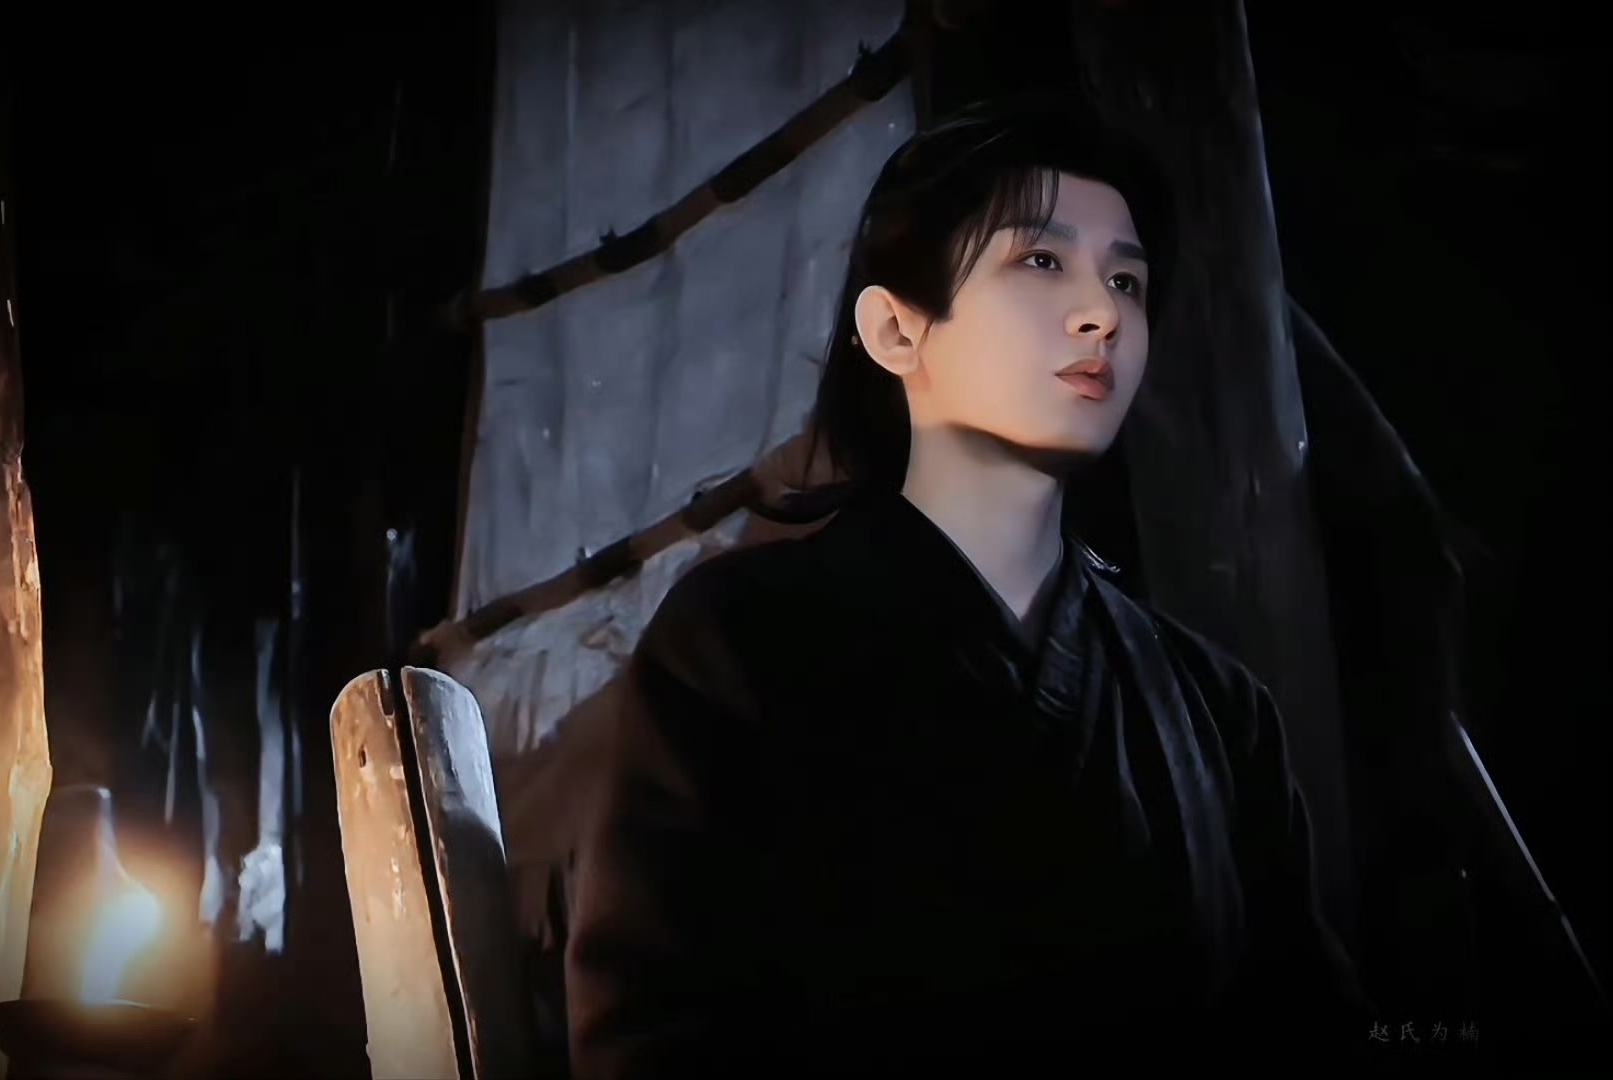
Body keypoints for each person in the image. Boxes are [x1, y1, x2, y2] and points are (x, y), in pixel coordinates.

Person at [564, 97, 1368, 1076]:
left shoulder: (1215, 710)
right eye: (1042, 261)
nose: (1102, 313)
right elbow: (655, 1030)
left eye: (1126, 280)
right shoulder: (744, 642)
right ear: (896, 330)